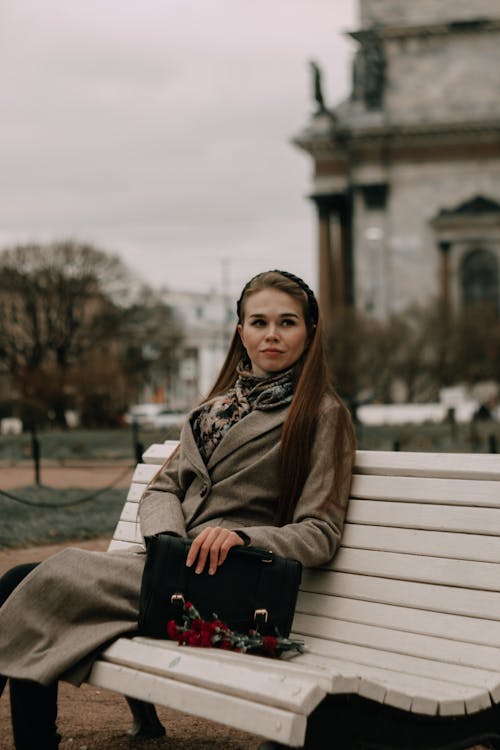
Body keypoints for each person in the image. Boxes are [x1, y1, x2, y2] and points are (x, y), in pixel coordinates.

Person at [0, 269, 356, 750]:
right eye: (259, 322)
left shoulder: (322, 414)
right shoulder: (213, 409)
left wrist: (244, 537)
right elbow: (161, 490)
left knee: (43, 582)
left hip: (231, 583)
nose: (271, 334)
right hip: (174, 565)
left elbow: (320, 531)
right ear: (240, 331)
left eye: (287, 322)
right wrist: (169, 539)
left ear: (310, 332)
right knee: (22, 580)